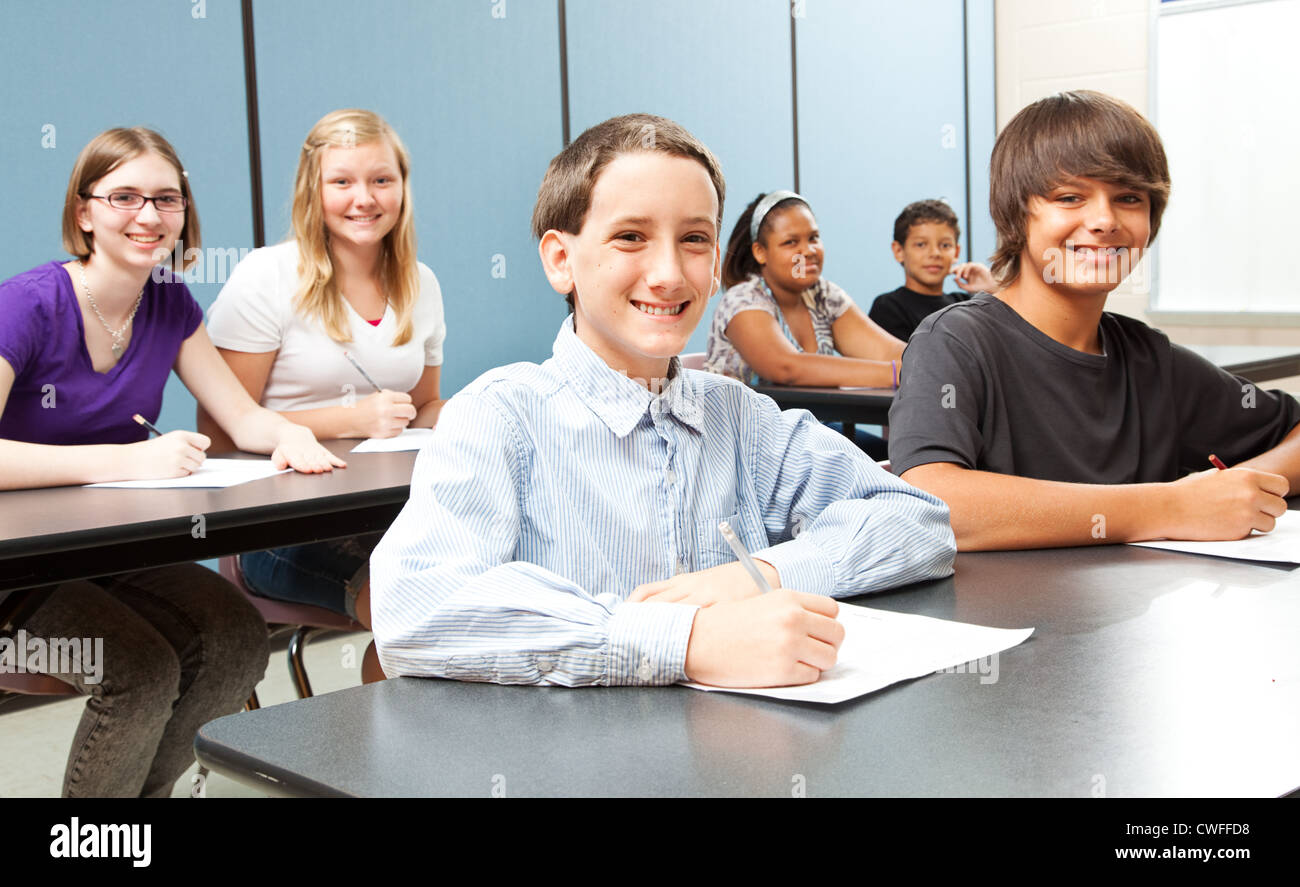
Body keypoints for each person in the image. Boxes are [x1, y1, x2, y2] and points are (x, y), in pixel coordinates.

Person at [370, 114, 955, 689]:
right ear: (560, 260)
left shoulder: (741, 417)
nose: (669, 273)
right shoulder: (501, 416)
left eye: (695, 239)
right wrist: (684, 640)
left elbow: (918, 521)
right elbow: (417, 607)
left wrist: (764, 576)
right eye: (631, 237)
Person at [0, 127, 344, 796]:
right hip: (16, 566)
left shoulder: (168, 303)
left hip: (102, 552)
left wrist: (286, 435)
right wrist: (125, 463)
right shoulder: (26, 304)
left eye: (167, 198)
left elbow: (241, 415)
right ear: (84, 212)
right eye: (124, 196)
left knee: (237, 639)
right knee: (139, 667)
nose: (150, 215)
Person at [888, 90, 1300, 550]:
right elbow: (933, 502)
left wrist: (1235, 489)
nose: (1104, 220)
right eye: (1069, 197)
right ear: (1016, 212)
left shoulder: (1152, 360)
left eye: (1128, 197)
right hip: (1008, 620)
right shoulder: (955, 342)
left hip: (1134, 618)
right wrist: (1172, 506)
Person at [202, 110, 445, 683]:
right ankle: (391, 766)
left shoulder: (421, 282)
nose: (364, 198)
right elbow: (220, 435)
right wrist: (351, 418)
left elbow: (424, 406)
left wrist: (454, 414)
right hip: (280, 531)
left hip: (391, 514)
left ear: (403, 186)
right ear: (314, 190)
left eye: (381, 180)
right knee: (419, 615)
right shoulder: (266, 277)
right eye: (342, 182)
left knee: (485, 590)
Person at [705, 191, 907, 457]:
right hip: (744, 447)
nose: (808, 251)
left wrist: (932, 365)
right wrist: (896, 374)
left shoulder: (823, 295)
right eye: (791, 242)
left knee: (903, 461)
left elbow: (887, 351)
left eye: (814, 238)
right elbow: (787, 367)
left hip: (810, 435)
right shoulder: (742, 299)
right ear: (760, 252)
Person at [867, 198, 996, 341]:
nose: (935, 253)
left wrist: (994, 287)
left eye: (945, 245)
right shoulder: (888, 307)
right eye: (921, 244)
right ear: (898, 251)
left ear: (956, 252)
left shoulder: (966, 304)